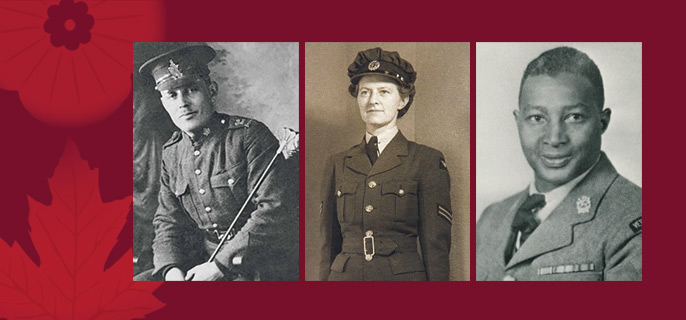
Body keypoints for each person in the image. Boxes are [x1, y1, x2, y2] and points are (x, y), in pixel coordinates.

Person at [134, 44, 299, 281]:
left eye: (191, 89)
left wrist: (221, 266)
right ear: (163, 102)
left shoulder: (249, 136)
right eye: (172, 95)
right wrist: (171, 270)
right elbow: (168, 220)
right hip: (202, 258)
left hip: (254, 261)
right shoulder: (171, 152)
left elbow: (274, 208)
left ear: (211, 90)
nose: (182, 103)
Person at [476, 46, 642, 281]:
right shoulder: (490, 220)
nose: (554, 138)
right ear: (518, 122)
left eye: (574, 117)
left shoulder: (632, 219)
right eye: (537, 118)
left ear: (602, 122)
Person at [319, 47, 452, 281]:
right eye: (364, 93)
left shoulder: (425, 160)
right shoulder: (337, 163)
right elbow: (328, 244)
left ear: (403, 99)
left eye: (384, 92)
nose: (373, 101)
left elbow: (435, 247)